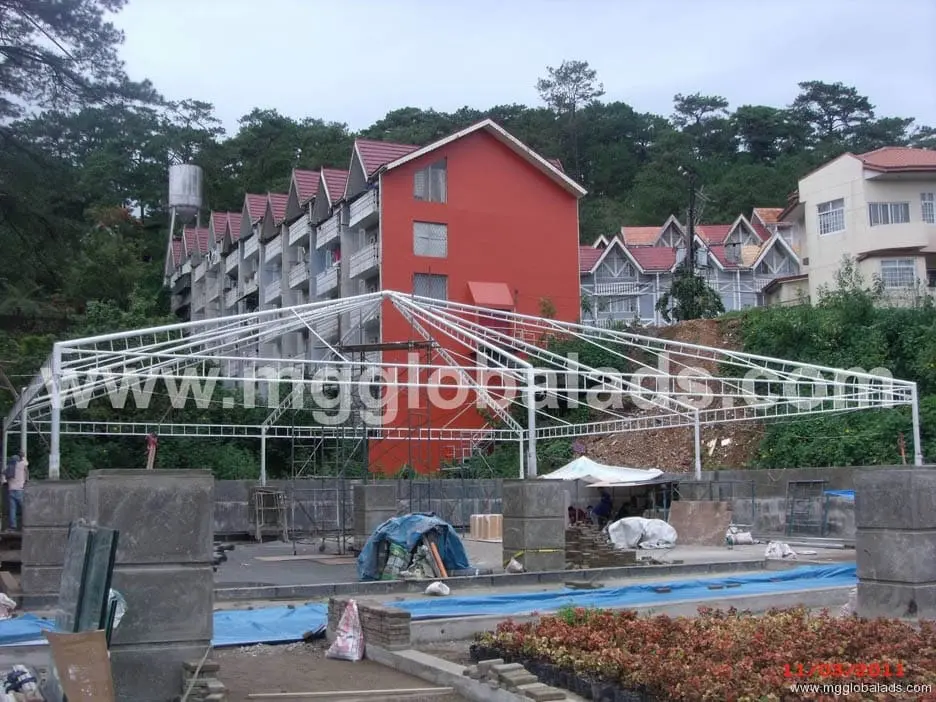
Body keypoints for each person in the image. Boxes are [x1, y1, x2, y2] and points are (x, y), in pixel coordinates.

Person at [5, 453, 28, 530]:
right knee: (24, 508)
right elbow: (26, 463)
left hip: (11, 490)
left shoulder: (8, 468)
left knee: (12, 510)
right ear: (18, 461)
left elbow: (6, 478)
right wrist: (23, 456)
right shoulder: (20, 466)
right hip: (19, 490)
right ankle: (27, 523)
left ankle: (13, 526)